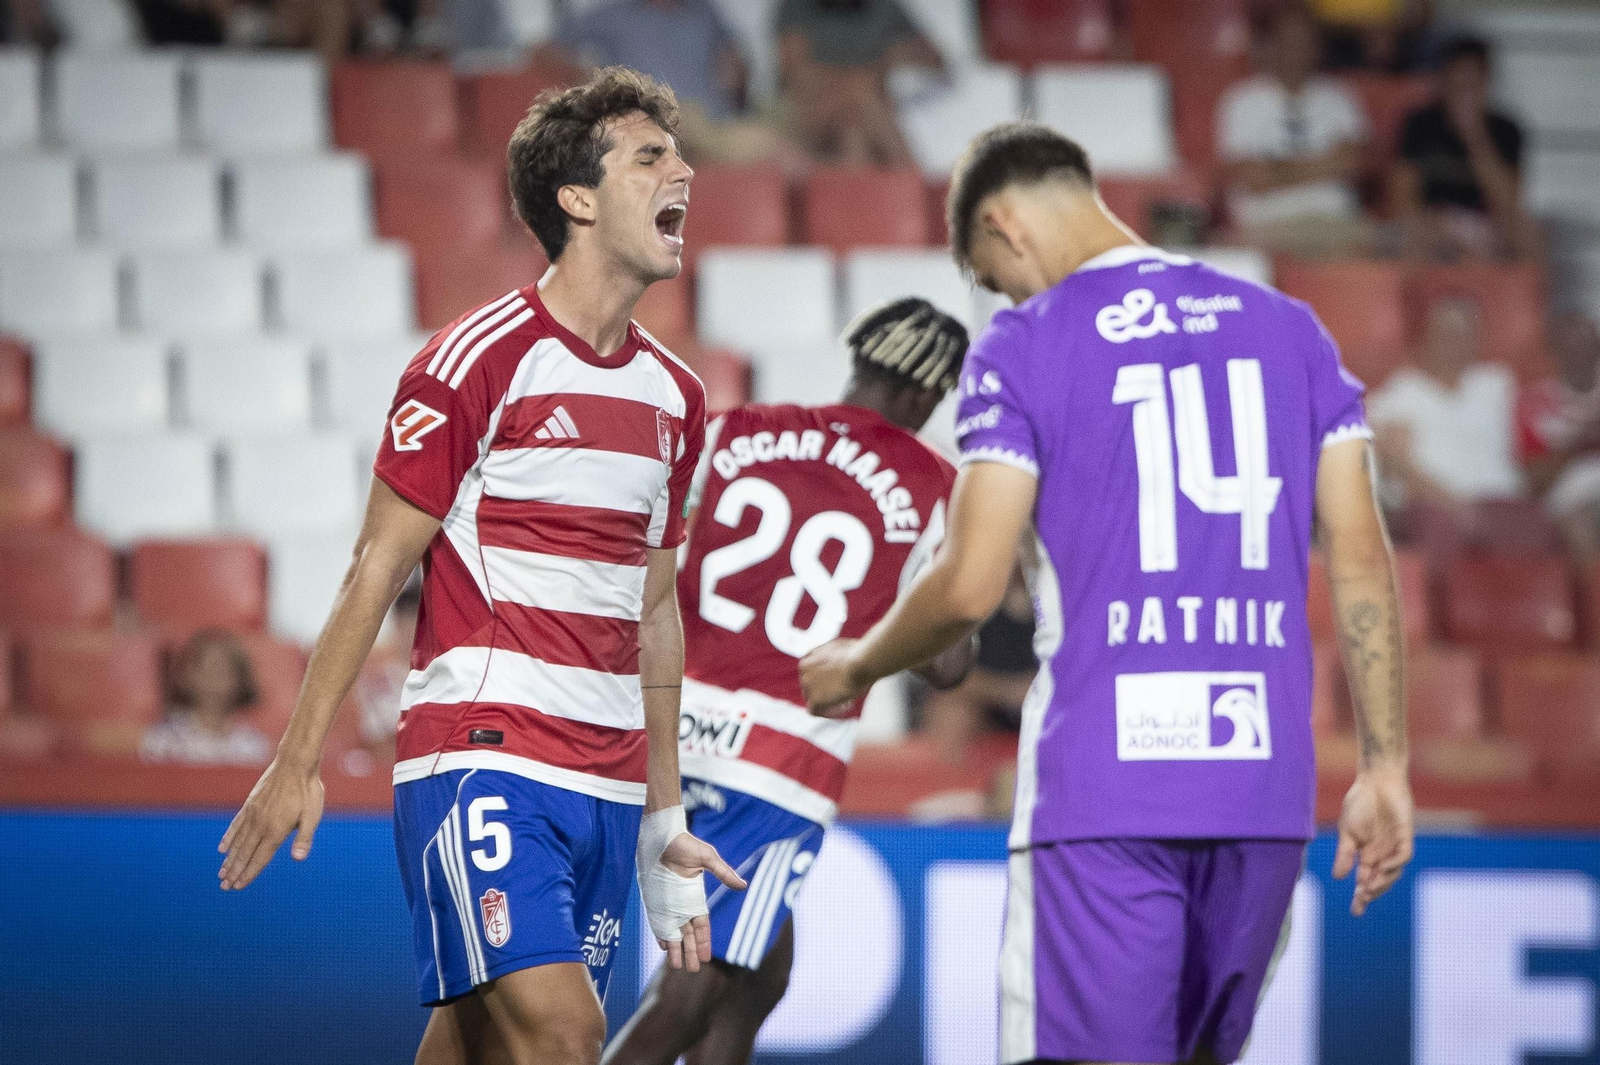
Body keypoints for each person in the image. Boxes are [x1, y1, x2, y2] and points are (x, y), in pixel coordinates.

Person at [800, 122, 1414, 1065]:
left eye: (995, 276)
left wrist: (859, 660)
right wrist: (1385, 767)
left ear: (1003, 227)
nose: (1007, 295)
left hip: (1101, 796)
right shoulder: (1290, 329)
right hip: (1262, 792)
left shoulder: (1025, 343)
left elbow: (968, 588)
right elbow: (1365, 561)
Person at [216, 68, 745, 1065]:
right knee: (563, 1037)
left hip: (607, 786)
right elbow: (375, 567)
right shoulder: (474, 360)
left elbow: (654, 603)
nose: (683, 170)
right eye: (651, 156)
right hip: (484, 754)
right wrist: (297, 759)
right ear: (576, 199)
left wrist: (660, 812)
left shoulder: (677, 396)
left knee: (474, 1051)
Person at [603, 298, 974, 1065]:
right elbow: (949, 665)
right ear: (921, 397)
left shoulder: (741, 428)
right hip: (776, 761)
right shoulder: (934, 480)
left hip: (669, 728)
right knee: (692, 989)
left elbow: (656, 549)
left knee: (758, 974)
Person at [554, 0, 806, 171]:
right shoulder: (615, 14)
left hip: (713, 128)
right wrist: (588, 85)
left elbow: (739, 71)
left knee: (785, 152)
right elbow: (545, 53)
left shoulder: (705, 13)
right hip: (648, 121)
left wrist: (738, 78)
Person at [1368, 295, 1525, 552]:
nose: (1453, 342)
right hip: (1436, 506)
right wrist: (1457, 507)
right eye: (1444, 332)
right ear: (1425, 337)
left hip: (1502, 501)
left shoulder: (1498, 383)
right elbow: (1397, 466)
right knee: (1436, 527)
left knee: (1529, 528)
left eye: (1463, 333)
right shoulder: (1403, 391)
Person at [1217, 7, 1372, 257]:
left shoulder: (1340, 97)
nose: (1297, 49)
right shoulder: (1241, 99)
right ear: (1269, 45)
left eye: (1305, 40)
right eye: (1288, 40)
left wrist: (1277, 170)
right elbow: (1251, 178)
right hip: (1264, 227)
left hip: (1336, 224)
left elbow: (1356, 166)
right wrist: (1328, 164)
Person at [1392, 34, 1536, 261]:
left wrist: (1474, 135)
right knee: (1409, 233)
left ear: (1486, 79)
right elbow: (1401, 193)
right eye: (1458, 76)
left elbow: (1508, 201)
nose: (1465, 87)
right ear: (1443, 78)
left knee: (1526, 232)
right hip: (1431, 223)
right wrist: (1435, 226)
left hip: (1486, 228)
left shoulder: (1507, 130)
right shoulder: (1420, 124)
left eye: (1473, 79)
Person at [775, 0, 943, 167]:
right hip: (809, 112)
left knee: (853, 131)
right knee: (860, 96)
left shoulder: (885, 8)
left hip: (867, 113)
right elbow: (796, 72)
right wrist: (861, 79)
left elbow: (937, 60)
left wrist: (896, 56)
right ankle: (911, 176)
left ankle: (864, 187)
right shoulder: (796, 6)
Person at [1520, 310, 1600, 560]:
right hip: (1568, 491)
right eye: (1570, 350)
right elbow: (1535, 483)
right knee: (1579, 515)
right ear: (1554, 353)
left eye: (1586, 348)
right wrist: (1575, 443)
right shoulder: (1534, 402)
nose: (1579, 358)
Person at [140, 628, 271, 766]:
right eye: (203, 666)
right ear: (184, 675)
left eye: (222, 668)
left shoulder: (253, 746)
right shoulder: (164, 739)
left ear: (240, 680)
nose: (212, 675)